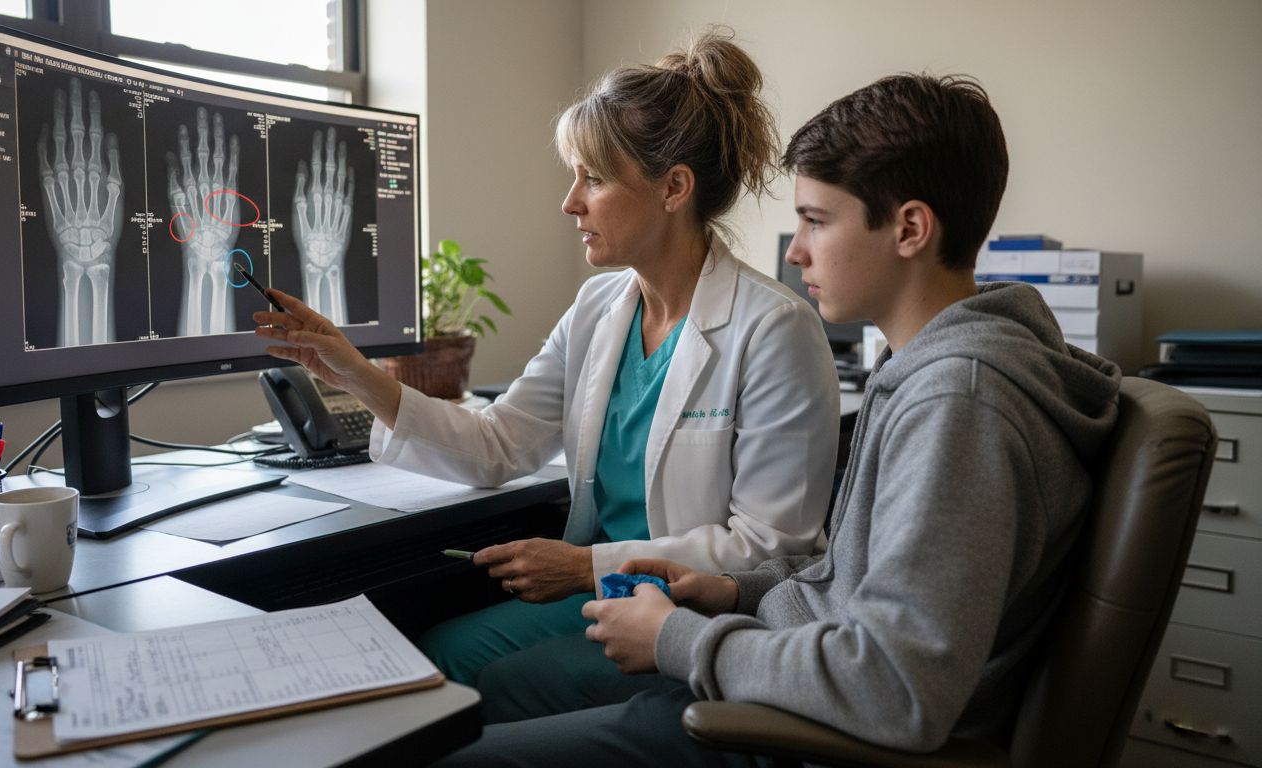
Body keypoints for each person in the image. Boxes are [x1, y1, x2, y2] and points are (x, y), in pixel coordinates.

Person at [433, 73, 1122, 767]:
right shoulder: (924, 369)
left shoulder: (958, 403)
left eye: (818, 222)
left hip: (818, 736)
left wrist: (681, 639)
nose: (794, 252)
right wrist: (737, 590)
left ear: (910, 229)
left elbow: (895, 687)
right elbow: (855, 587)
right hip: (786, 675)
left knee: (462, 748)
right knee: (491, 694)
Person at [254, 28, 841, 687]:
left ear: (674, 187)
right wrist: (354, 374)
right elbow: (499, 443)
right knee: (432, 647)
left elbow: (769, 549)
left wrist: (581, 567)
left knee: (452, 671)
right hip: (605, 591)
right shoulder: (599, 308)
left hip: (691, 619)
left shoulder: (774, 329)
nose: (570, 202)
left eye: (593, 178)